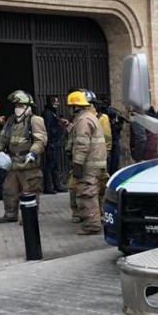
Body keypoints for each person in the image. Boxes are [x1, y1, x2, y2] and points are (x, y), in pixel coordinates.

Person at [0, 90, 47, 224]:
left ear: (28, 107)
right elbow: (3, 138)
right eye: (16, 106)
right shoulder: (11, 121)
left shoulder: (35, 120)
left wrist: (33, 152)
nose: (18, 108)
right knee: (9, 190)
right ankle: (10, 214)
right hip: (13, 163)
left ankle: (29, 216)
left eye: (21, 106)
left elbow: (40, 140)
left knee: (30, 190)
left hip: (28, 163)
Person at [66, 91, 106, 235]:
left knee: (86, 194)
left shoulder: (82, 120)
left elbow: (82, 144)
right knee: (94, 193)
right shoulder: (90, 117)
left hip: (89, 164)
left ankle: (91, 225)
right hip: (96, 163)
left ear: (75, 106)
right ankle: (96, 219)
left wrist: (77, 163)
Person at [41, 96, 67, 195]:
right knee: (50, 165)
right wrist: (47, 144)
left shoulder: (52, 113)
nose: (57, 103)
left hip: (54, 142)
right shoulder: (48, 113)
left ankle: (56, 185)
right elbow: (47, 128)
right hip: (51, 143)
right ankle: (48, 187)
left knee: (55, 165)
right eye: (55, 102)